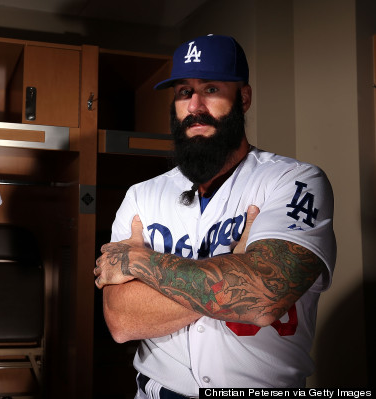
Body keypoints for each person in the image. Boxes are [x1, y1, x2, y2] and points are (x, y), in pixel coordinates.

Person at [94, 34, 336, 398]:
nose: (194, 106)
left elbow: (264, 295)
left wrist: (142, 263)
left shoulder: (292, 180)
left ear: (244, 97)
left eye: (210, 88)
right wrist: (233, 270)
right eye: (183, 92)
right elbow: (121, 320)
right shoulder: (141, 196)